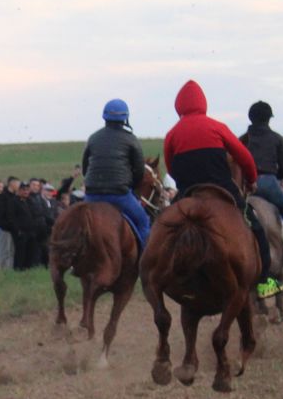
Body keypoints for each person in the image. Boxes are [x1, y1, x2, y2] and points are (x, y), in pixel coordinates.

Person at [162, 79, 267, 279]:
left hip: (187, 191)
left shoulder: (172, 134)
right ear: (203, 103)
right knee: (255, 224)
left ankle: (162, 275)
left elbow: (170, 168)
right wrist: (252, 179)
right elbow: (244, 157)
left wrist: (185, 182)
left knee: (165, 226)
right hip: (222, 188)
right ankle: (264, 279)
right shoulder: (217, 127)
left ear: (179, 106)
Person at [79, 99, 151, 248]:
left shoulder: (93, 138)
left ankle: (73, 257)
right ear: (125, 119)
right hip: (119, 195)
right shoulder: (131, 139)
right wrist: (133, 187)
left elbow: (85, 167)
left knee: (79, 224)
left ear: (104, 117)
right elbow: (139, 170)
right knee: (143, 221)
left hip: (93, 194)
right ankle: (146, 262)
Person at [240, 101, 283, 236]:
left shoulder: (241, 140)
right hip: (268, 181)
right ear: (269, 118)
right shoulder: (277, 139)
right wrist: (280, 176)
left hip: (245, 184)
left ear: (250, 118)